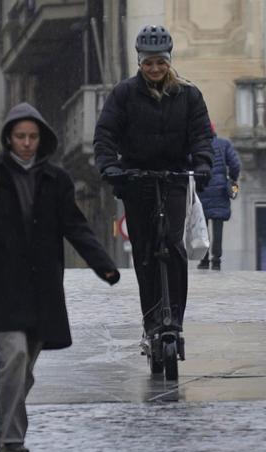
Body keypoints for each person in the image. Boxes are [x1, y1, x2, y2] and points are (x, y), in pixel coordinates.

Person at [0, 102, 120, 452]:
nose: (26, 143)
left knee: (22, 373)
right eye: (20, 136)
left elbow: (75, 225)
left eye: (32, 137)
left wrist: (103, 265)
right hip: (1, 287)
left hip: (43, 292)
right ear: (9, 138)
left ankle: (6, 433)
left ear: (42, 139)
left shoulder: (56, 180)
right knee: (15, 357)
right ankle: (11, 441)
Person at [95, 24, 213, 336]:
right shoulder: (123, 94)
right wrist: (111, 168)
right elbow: (105, 135)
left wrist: (202, 165)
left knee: (174, 245)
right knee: (145, 251)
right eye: (148, 63)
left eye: (160, 62)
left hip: (174, 177)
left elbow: (202, 136)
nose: (155, 68)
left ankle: (174, 318)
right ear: (140, 63)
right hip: (135, 179)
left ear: (169, 61)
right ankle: (151, 320)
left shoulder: (189, 95)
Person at [197, 125, 241, 271]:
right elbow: (235, 164)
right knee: (218, 226)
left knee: (202, 227)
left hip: (202, 189)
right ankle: (216, 260)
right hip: (220, 190)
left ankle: (204, 260)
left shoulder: (197, 146)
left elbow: (188, 164)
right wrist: (232, 178)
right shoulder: (224, 144)